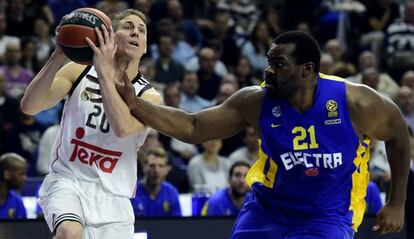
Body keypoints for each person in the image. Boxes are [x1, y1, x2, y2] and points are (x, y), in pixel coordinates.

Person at [115, 31, 410, 238]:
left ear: (307, 70)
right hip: (268, 208)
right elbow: (194, 127)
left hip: (327, 214)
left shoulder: (357, 102)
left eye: (279, 64)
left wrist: (397, 202)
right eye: (269, 62)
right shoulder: (257, 101)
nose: (269, 71)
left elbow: (398, 134)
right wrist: (135, 103)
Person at [20, 9, 162, 239]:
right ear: (110, 38)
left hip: (115, 197)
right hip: (68, 180)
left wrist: (106, 75)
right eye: (127, 27)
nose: (135, 31)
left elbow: (123, 128)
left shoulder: (149, 96)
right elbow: (29, 107)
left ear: (145, 47)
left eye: (141, 30)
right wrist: (58, 55)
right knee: (69, 233)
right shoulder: (79, 70)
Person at [131, 147, 181, 217]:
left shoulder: (172, 192)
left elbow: (177, 224)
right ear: (144, 167)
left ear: (167, 169)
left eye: (161, 166)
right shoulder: (132, 192)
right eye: (152, 165)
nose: (156, 170)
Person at [0, 152, 27, 219]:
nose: (25, 178)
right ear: (7, 174)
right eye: (21, 174)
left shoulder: (17, 200)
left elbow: (23, 227)